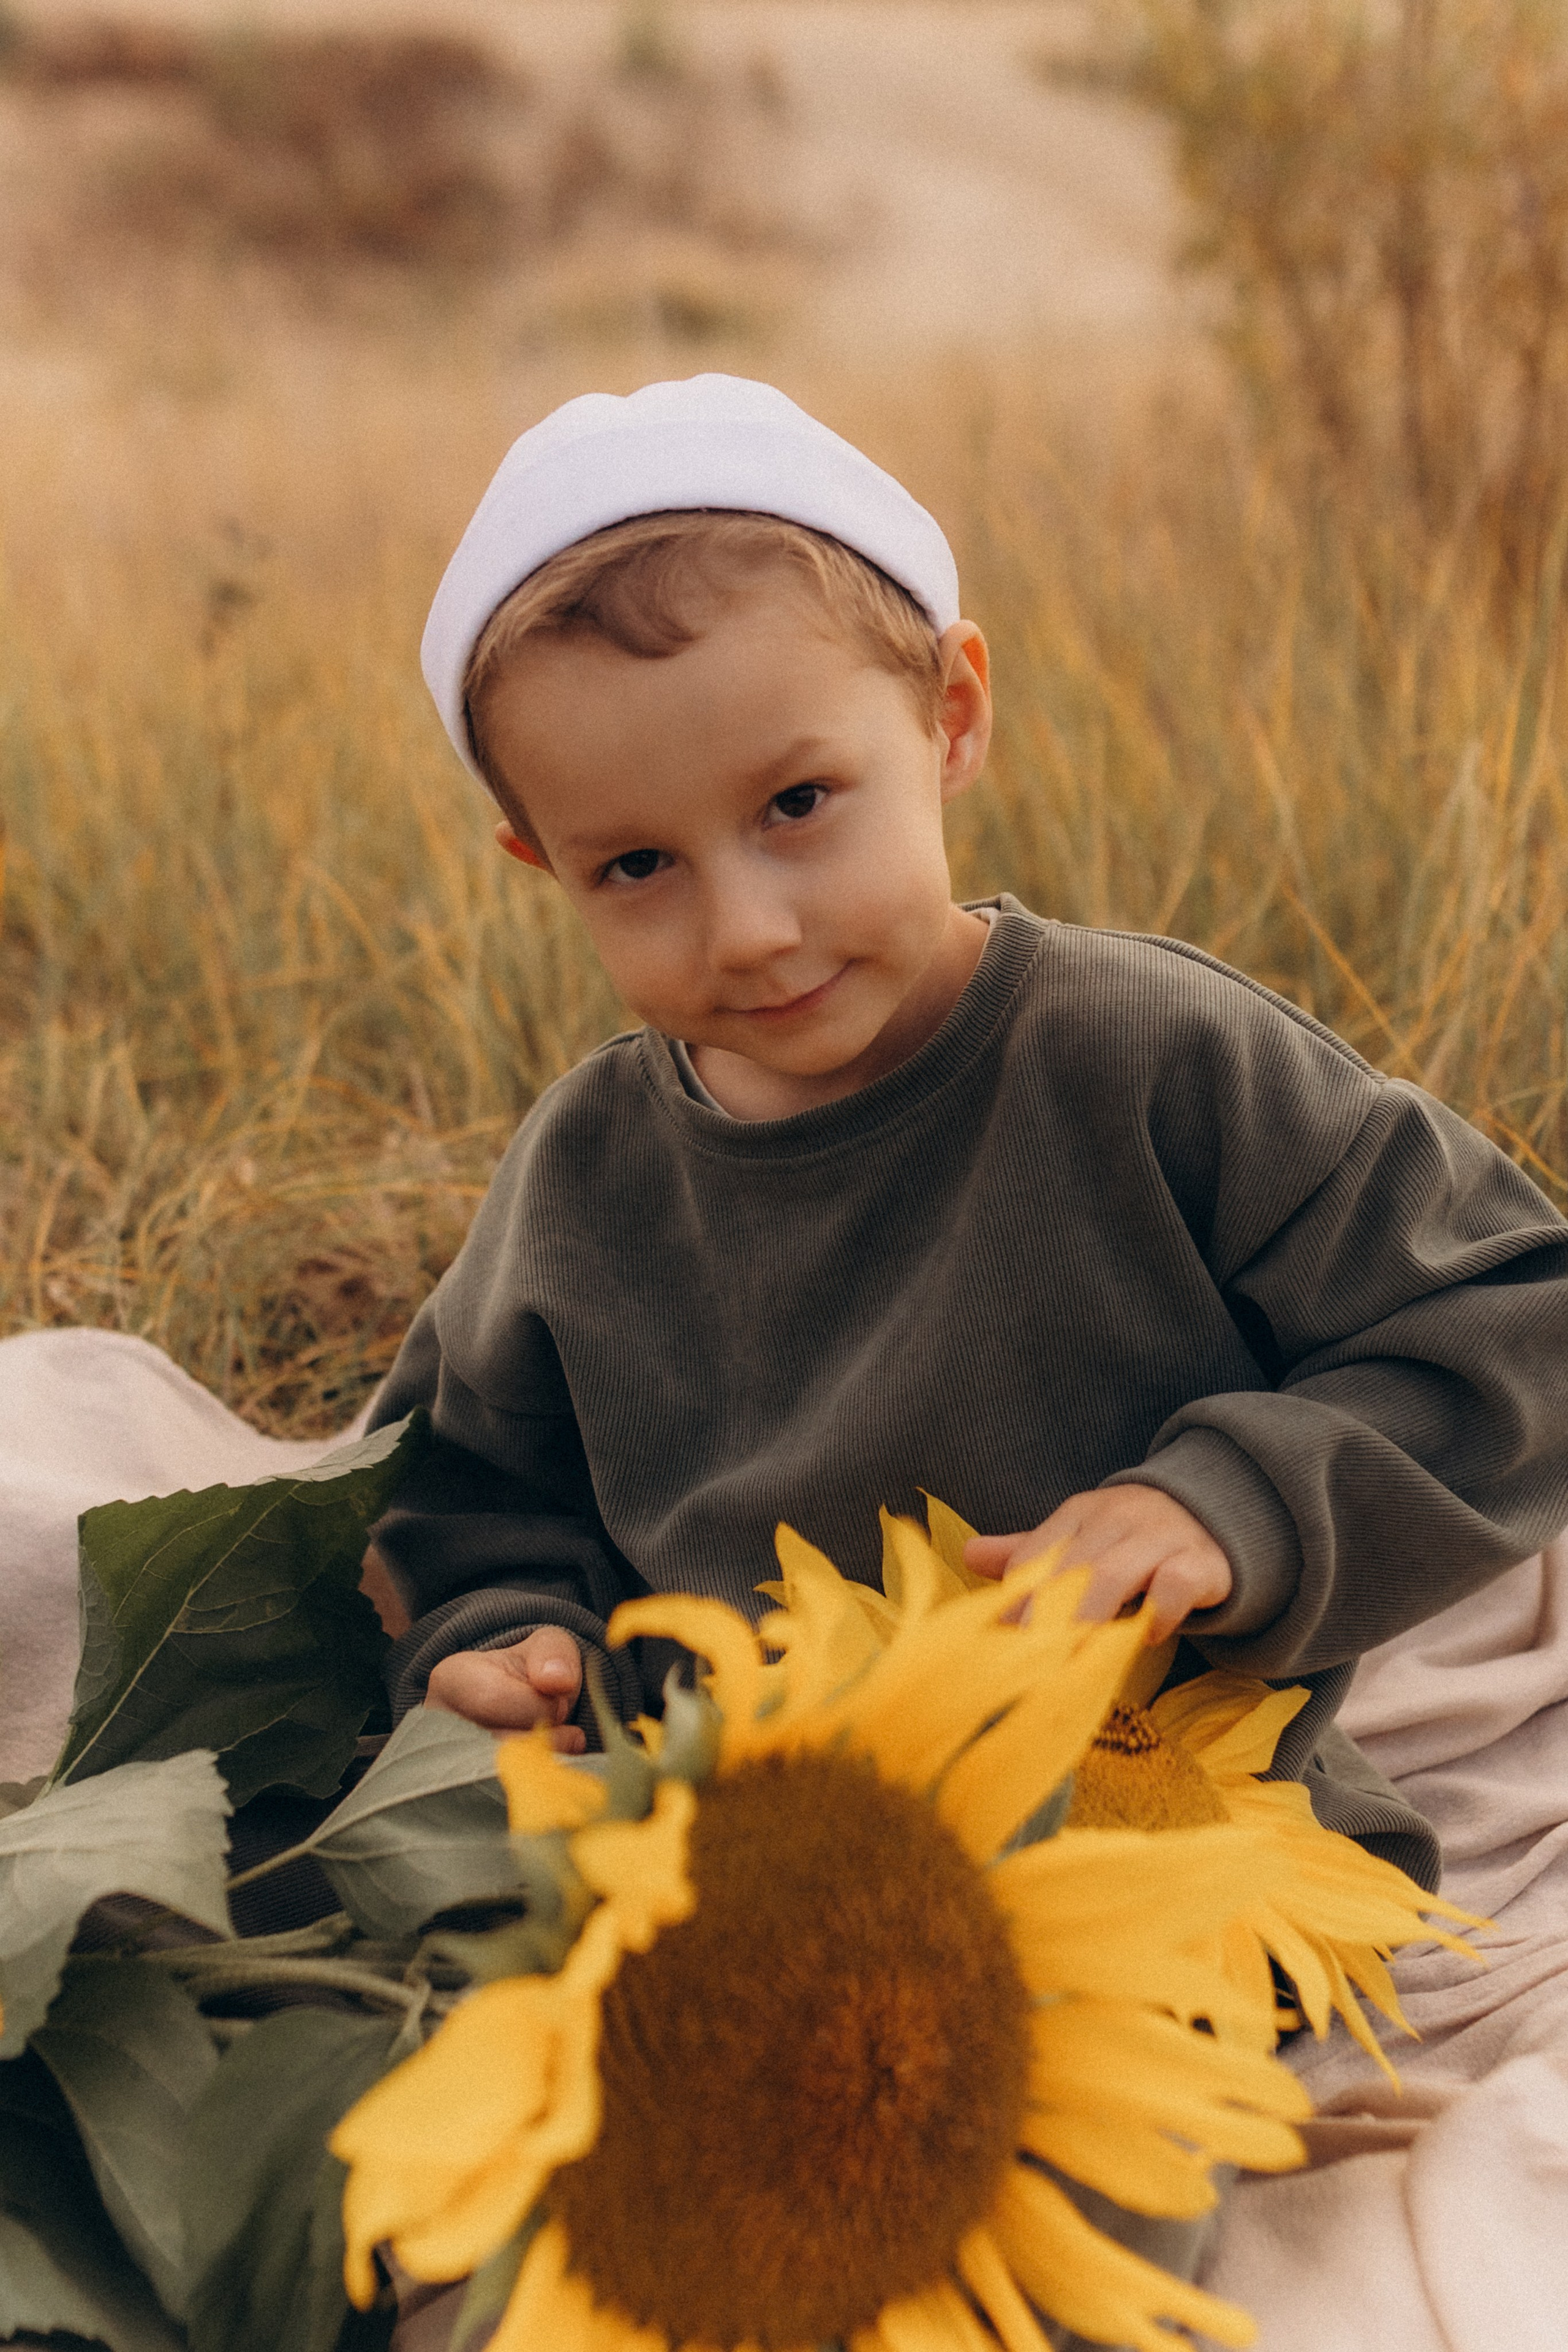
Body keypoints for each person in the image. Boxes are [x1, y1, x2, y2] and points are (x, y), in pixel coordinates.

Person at [369, 372, 1568, 1903]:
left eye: (797, 802)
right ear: (538, 860)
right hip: (716, 1854)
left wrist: (1223, 1506)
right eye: (635, 866)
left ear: (950, 715)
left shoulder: (1141, 1055)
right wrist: (497, 1638)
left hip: (1145, 1825)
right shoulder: (586, 1172)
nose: (746, 929)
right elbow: (450, 1484)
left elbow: (1515, 1322)